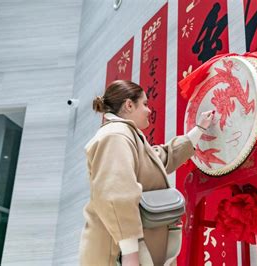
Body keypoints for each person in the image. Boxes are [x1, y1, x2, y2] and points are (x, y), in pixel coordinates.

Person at [79, 80, 214, 265]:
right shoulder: (115, 135)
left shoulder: (126, 135)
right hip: (119, 254)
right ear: (128, 105)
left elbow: (161, 157)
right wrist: (130, 254)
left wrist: (199, 130)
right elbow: (115, 194)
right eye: (144, 104)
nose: (149, 110)